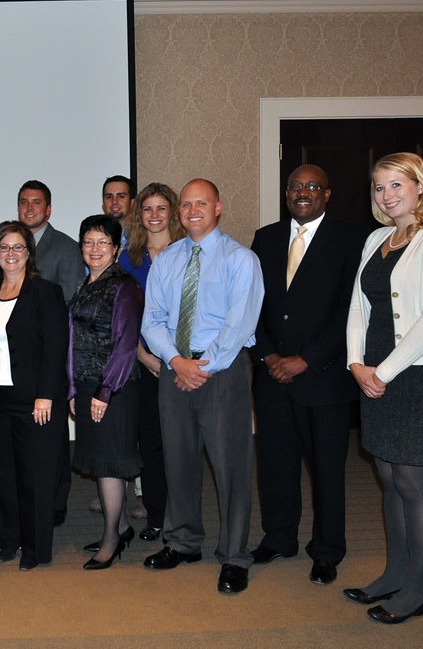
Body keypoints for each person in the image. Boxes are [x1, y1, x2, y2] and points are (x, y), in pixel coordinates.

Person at [344, 152, 423, 624]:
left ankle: (416, 593)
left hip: (418, 377)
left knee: (414, 483)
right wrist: (357, 363)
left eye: (397, 184)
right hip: (373, 374)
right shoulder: (376, 239)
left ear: (421, 187)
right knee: (389, 480)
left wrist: (382, 372)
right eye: (379, 186)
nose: (387, 194)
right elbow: (359, 306)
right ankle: (394, 575)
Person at [140, 179, 263, 594]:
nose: (193, 211)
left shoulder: (240, 259)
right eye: (187, 204)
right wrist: (176, 362)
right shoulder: (167, 260)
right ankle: (183, 541)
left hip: (222, 371)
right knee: (178, 459)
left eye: (202, 203)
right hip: (174, 368)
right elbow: (152, 320)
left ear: (218, 208)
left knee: (231, 465)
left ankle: (234, 555)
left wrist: (201, 366)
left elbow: (240, 323)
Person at [249, 164, 365, 587]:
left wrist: (307, 359)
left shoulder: (352, 239)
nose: (303, 192)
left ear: (327, 194)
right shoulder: (266, 238)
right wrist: (267, 355)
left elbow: (351, 310)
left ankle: (327, 550)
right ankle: (279, 537)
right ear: (286, 194)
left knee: (327, 471)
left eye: (313, 186)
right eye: (295, 186)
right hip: (271, 375)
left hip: (324, 377)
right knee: (275, 464)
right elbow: (252, 302)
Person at [0, 221, 67, 571]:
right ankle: (8, 540)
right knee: (0, 474)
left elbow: (55, 347)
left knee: (34, 476)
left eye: (18, 247)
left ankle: (35, 548)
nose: (11, 253)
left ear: (29, 252)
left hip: (33, 401)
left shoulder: (46, 292)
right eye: (4, 247)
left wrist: (46, 395)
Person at [68, 215, 144, 570]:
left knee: (111, 464)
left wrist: (105, 391)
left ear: (116, 249)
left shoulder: (124, 285)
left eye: (102, 242)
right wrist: (73, 388)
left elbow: (126, 344)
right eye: (88, 242)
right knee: (101, 461)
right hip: (87, 385)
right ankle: (122, 526)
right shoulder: (85, 283)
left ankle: (112, 538)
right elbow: (74, 340)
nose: (94, 248)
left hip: (114, 388)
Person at [116, 182, 185, 543]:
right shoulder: (129, 259)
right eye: (147, 209)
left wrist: (178, 358)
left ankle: (183, 516)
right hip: (143, 364)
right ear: (138, 215)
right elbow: (123, 316)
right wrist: (142, 354)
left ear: (172, 212)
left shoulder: (189, 252)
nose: (154, 215)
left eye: (161, 208)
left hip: (185, 363)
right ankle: (157, 516)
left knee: (183, 444)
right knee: (152, 443)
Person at [16, 179, 80, 526]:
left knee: (53, 437)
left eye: (36, 202)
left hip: (51, 360)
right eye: (24, 202)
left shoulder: (66, 248)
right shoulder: (11, 247)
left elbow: (70, 307)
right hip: (17, 363)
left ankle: (56, 502)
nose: (29, 208)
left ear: (49, 209)